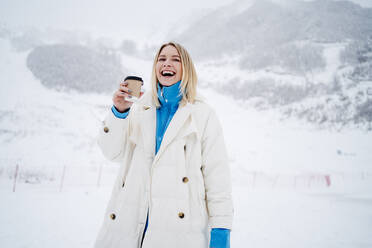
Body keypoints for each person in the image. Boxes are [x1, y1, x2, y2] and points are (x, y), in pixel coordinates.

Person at [94, 42, 233, 248]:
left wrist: (221, 233)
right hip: (129, 226)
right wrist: (119, 112)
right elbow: (112, 153)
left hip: (179, 232)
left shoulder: (203, 114)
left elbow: (217, 177)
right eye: (162, 59)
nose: (167, 64)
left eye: (175, 59)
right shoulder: (139, 108)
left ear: (186, 68)